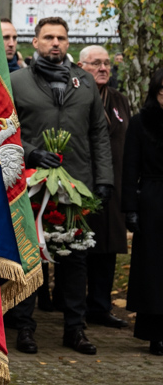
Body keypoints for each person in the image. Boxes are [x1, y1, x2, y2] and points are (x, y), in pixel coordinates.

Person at [5, 17, 114, 355]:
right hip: (30, 184)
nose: (56, 43)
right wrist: (30, 153)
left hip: (76, 184)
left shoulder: (84, 81)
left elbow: (99, 133)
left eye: (61, 38)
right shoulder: (16, 81)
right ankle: (24, 327)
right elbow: (2, 130)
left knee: (75, 258)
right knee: (31, 256)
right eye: (48, 37)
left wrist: (104, 179)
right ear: (34, 42)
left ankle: (75, 328)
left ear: (69, 44)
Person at [77, 45, 131, 329]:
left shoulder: (120, 100)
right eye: (96, 63)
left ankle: (100, 306)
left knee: (108, 247)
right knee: (79, 246)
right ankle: (72, 307)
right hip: (82, 183)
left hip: (115, 185)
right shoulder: (74, 96)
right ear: (81, 66)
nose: (103, 68)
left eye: (107, 63)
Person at [124, 68, 163, 356]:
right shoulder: (140, 123)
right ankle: (154, 334)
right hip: (153, 201)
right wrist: (131, 208)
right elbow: (129, 168)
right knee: (153, 269)